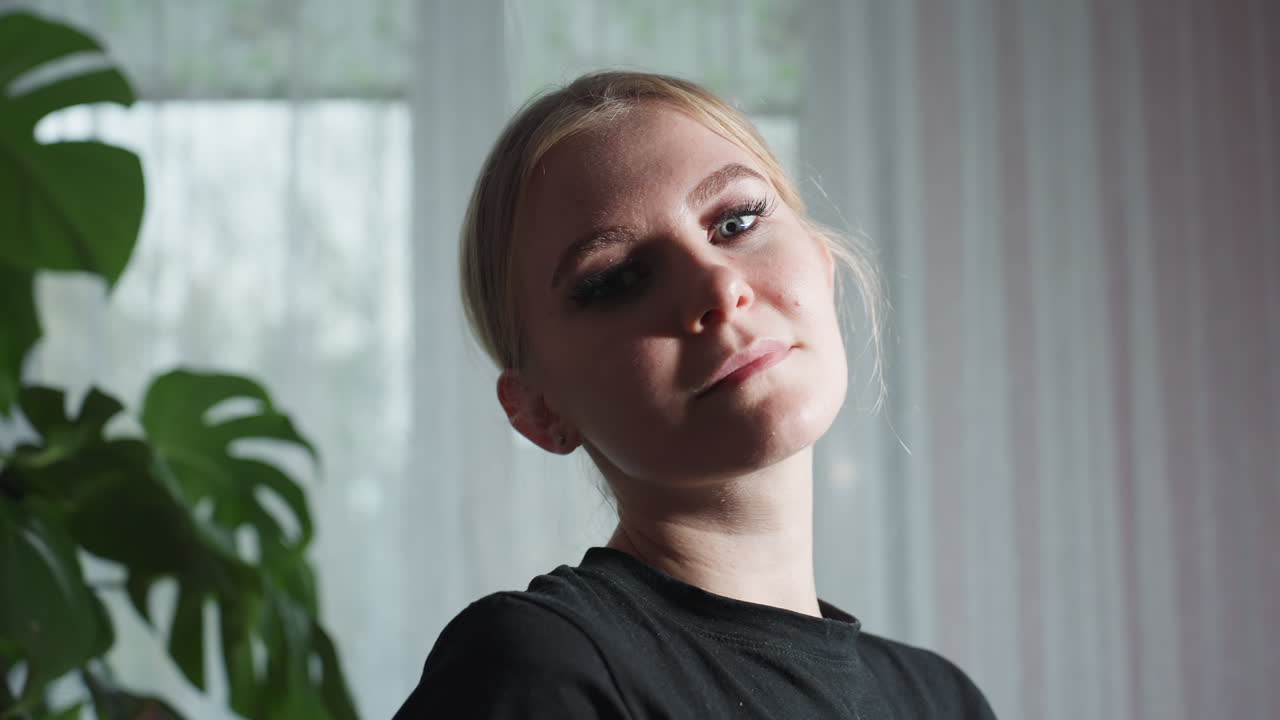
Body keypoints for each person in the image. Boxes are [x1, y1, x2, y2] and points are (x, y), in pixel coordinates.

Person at [394, 71, 996, 719]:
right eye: (619, 279)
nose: (716, 287)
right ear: (539, 411)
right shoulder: (533, 664)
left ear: (821, 267)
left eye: (737, 221)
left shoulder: (943, 700)